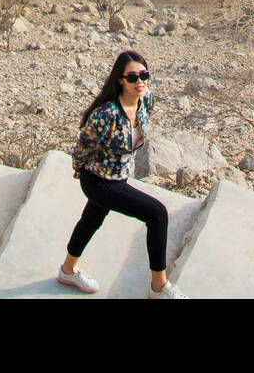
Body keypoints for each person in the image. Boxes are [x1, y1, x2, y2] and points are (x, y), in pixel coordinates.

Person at [58, 49, 187, 299]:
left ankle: (67, 270)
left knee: (92, 219)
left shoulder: (146, 101)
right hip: (98, 180)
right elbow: (82, 148)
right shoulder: (104, 115)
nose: (139, 81)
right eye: (132, 77)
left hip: (120, 176)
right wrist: (79, 169)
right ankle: (158, 287)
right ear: (120, 80)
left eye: (144, 75)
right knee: (156, 213)